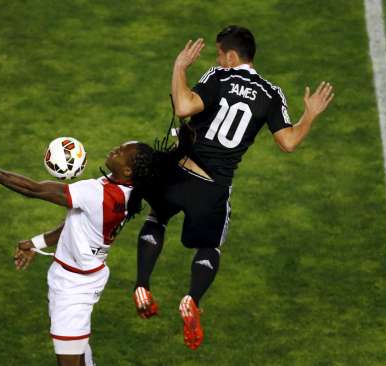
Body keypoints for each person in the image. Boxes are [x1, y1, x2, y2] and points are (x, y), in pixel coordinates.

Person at [133, 25, 335, 350]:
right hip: (213, 187)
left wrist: (179, 67)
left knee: (157, 218)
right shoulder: (272, 94)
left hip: (180, 171)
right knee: (209, 247)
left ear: (229, 55)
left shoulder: (219, 76)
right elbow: (288, 142)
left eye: (218, 54)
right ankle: (192, 298)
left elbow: (183, 107)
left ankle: (143, 283)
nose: (217, 59)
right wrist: (309, 115)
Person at [0, 141, 156, 366]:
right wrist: (35, 242)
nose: (115, 150)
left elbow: (33, 189)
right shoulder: (125, 192)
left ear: (128, 171)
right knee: (77, 348)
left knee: (68, 358)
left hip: (73, 288)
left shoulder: (98, 193)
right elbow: (76, 226)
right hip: (82, 277)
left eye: (121, 152)